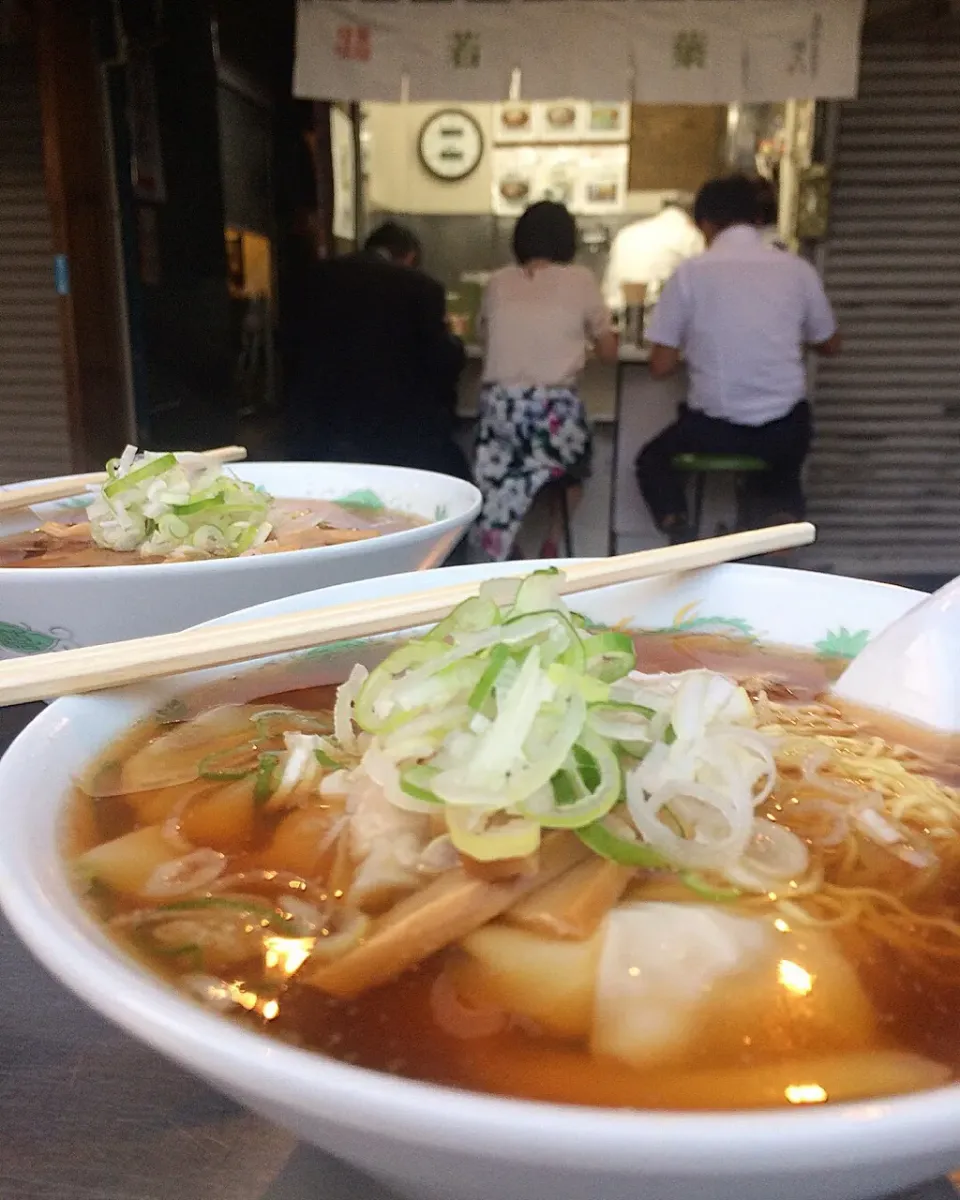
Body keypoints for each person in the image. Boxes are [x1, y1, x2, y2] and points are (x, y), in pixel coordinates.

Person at [635, 174, 841, 543]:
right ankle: (778, 529)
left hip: (715, 431)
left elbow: (660, 366)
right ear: (758, 219)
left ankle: (680, 531)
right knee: (780, 471)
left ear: (705, 224)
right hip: (783, 430)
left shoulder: (689, 274)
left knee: (652, 462)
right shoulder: (797, 270)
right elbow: (829, 344)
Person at [472, 201, 618, 561]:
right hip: (553, 414)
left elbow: (483, 337)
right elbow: (610, 351)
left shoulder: (497, 282)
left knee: (503, 476)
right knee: (575, 469)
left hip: (499, 413)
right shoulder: (581, 280)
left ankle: (508, 547)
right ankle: (553, 540)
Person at [284, 221, 470, 479]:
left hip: (321, 426)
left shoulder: (314, 278)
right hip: (396, 432)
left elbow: (292, 345)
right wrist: (456, 342)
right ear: (409, 256)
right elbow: (441, 360)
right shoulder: (420, 287)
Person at [602, 197, 704, 314]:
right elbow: (703, 283)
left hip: (612, 310)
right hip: (653, 314)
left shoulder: (627, 232)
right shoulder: (690, 235)